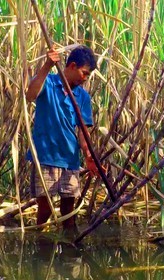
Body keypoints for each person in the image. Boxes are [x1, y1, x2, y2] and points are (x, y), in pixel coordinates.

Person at [25, 45, 98, 231]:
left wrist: (88, 154)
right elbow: (30, 95)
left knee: (69, 213)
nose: (85, 79)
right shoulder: (48, 83)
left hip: (69, 159)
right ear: (72, 66)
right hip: (46, 156)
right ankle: (40, 249)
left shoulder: (82, 96)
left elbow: (83, 130)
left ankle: (69, 254)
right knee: (45, 209)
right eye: (84, 73)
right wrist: (48, 65)